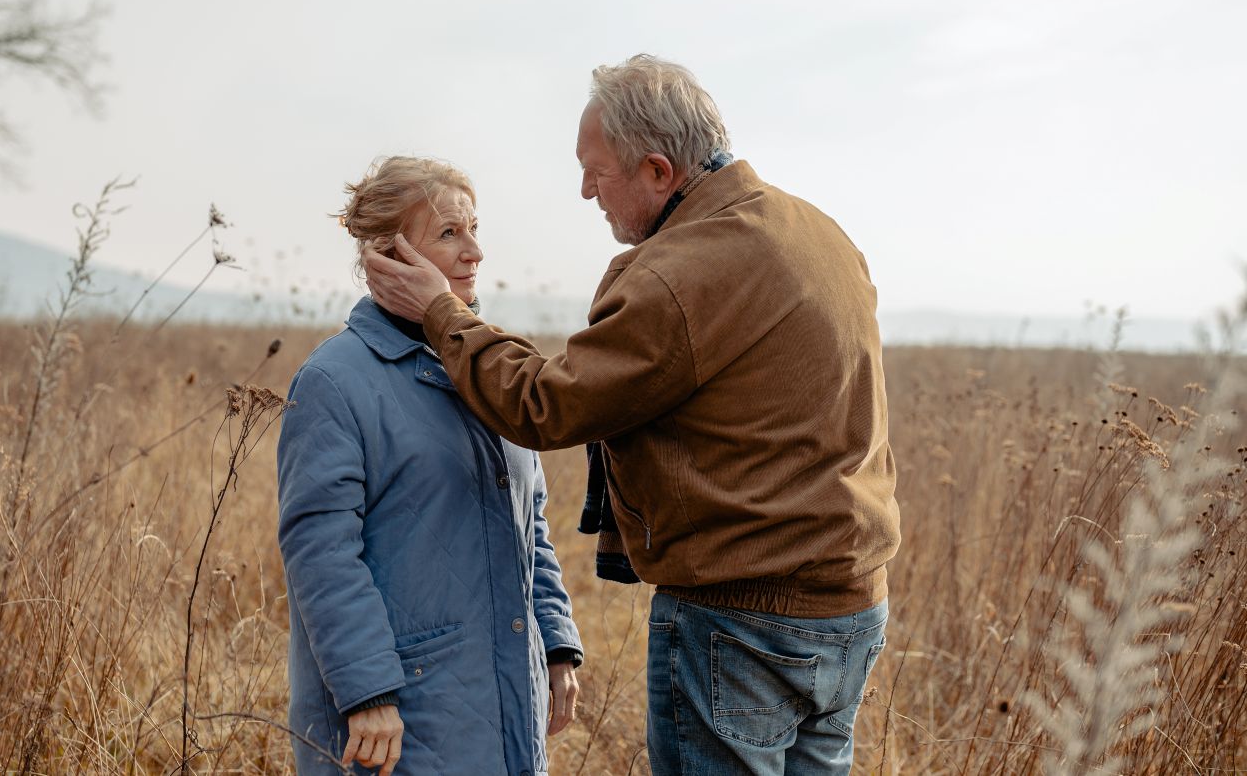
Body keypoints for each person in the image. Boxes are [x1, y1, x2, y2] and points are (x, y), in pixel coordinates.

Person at [363, 55, 902, 775]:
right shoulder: (819, 234)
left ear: (657, 171)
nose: (586, 191)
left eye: (597, 170)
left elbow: (546, 405)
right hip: (852, 612)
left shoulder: (679, 273)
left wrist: (441, 314)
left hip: (740, 624)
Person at [276, 156, 584, 776]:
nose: (474, 252)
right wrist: (369, 694)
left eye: (474, 230)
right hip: (399, 718)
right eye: (449, 233)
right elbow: (321, 553)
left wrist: (555, 640)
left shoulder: (489, 369)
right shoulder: (334, 382)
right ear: (388, 255)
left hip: (507, 697)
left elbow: (533, 524)